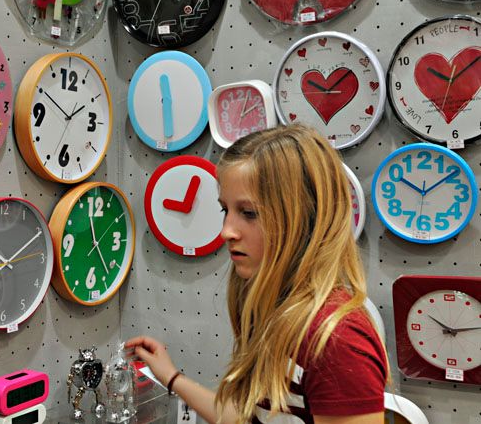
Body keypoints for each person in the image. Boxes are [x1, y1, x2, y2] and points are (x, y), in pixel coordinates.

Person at [127, 125, 388, 424]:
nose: (227, 231)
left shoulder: (336, 340)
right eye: (225, 210)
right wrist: (171, 377)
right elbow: (248, 417)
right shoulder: (281, 313)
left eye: (249, 213)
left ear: (303, 218)